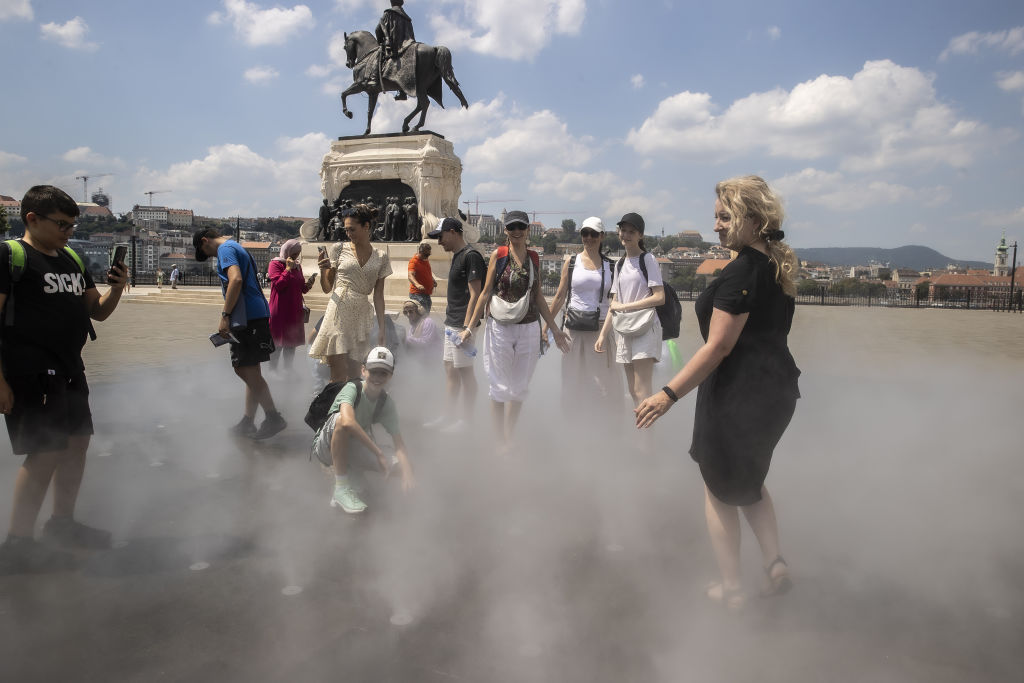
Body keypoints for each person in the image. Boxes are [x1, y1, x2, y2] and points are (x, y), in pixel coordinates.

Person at [634, 176, 801, 610]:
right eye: (716, 217)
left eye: (725, 217)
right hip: (776, 391)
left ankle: (731, 588)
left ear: (752, 219)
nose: (717, 226)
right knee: (750, 482)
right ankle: (775, 564)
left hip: (738, 396)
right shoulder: (773, 266)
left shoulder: (742, 270)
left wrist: (666, 394)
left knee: (718, 489)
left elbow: (720, 346)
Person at [0, 185, 128, 573]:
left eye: (72, 225)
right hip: (30, 372)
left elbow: (97, 312)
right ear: (32, 219)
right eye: (62, 224)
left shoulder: (71, 257)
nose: (69, 231)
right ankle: (18, 543)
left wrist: (117, 287)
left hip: (70, 368)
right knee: (44, 453)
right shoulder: (11, 256)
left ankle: (62, 524)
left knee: (76, 446)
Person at [469, 210, 570, 447]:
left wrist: (553, 329)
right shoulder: (499, 254)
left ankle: (508, 436)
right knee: (498, 384)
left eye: (520, 228)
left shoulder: (534, 258)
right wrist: (469, 326)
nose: (516, 232)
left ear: (527, 231)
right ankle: (498, 440)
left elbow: (537, 295)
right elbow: (485, 292)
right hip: (500, 326)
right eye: (512, 228)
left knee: (519, 386)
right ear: (506, 230)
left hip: (528, 327)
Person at [193, 227, 286, 440]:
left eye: (208, 253)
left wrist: (225, 315)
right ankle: (248, 422)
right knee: (251, 370)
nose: (213, 257)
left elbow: (235, 280)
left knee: (242, 369)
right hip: (256, 314)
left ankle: (273, 417)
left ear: (205, 241)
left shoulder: (225, 249)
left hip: (246, 318)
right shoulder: (235, 245)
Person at [311, 346, 415, 514]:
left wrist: (408, 474)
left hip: (354, 447)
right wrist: (379, 454)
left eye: (383, 373)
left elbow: (399, 444)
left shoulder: (386, 403)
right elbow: (347, 423)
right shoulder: (353, 388)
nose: (377, 377)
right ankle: (341, 488)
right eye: (373, 372)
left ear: (390, 375)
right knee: (341, 421)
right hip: (326, 447)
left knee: (400, 464)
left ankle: (353, 474)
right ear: (363, 370)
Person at [545, 216, 622, 416]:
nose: (589, 238)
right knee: (572, 379)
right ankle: (572, 424)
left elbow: (615, 303)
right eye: (585, 233)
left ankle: (600, 425)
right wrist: (546, 328)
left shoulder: (611, 266)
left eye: (594, 234)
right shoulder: (571, 262)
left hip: (601, 328)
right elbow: (560, 296)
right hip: (573, 328)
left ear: (602, 236)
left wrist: (608, 333)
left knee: (602, 381)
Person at [308, 204, 391, 384]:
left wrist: (382, 328)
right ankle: (333, 410)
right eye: (346, 230)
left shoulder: (381, 256)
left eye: (352, 229)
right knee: (337, 373)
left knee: (354, 374)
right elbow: (327, 287)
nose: (348, 234)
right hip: (339, 309)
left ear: (366, 226)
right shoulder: (339, 248)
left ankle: (351, 410)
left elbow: (379, 296)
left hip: (361, 312)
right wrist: (323, 270)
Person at [595, 212, 665, 408]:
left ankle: (646, 438)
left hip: (645, 327)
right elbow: (614, 303)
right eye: (623, 230)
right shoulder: (620, 263)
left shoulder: (648, 259)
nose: (625, 235)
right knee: (634, 391)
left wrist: (625, 307)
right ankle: (640, 435)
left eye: (631, 232)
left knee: (643, 390)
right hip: (625, 330)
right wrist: (602, 334)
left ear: (640, 235)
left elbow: (660, 297)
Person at [423, 217, 485, 433]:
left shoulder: (471, 257)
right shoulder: (458, 256)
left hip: (462, 325)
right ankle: (447, 416)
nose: (439, 242)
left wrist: (467, 329)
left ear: (452, 232)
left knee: (465, 372)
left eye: (440, 237)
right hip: (452, 322)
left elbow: (476, 294)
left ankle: (467, 421)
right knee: (450, 369)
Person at [267, 239, 316, 371]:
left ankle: (288, 373)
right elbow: (279, 285)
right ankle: (273, 372)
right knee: (277, 345)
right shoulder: (275, 264)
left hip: (294, 311)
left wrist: (309, 284)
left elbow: (301, 288)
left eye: (297, 254)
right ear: (287, 251)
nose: (295, 257)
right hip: (280, 311)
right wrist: (288, 269)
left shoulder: (298, 266)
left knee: (290, 345)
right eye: (294, 254)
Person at [407, 241, 436, 311]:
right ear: (421, 252)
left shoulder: (425, 260)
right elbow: (410, 275)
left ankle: (425, 322)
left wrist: (433, 280)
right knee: (421, 313)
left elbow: (427, 273)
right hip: (417, 294)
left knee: (428, 306)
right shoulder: (414, 261)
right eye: (426, 255)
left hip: (426, 293)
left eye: (429, 255)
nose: (427, 257)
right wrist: (418, 285)